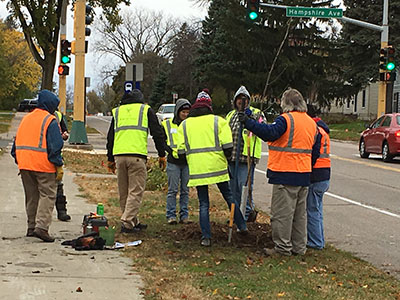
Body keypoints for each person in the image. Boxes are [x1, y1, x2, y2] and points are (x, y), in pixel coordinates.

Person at [239, 88, 319, 256]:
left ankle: (282, 248)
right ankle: (299, 247)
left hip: (285, 173)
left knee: (282, 214)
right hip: (304, 174)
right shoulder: (311, 123)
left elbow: (269, 133)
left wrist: (248, 122)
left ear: (285, 104)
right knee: (299, 216)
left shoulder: (286, 119)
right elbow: (316, 150)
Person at [175, 91, 248, 247]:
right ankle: (242, 226)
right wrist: (224, 159)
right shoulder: (219, 122)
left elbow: (180, 152)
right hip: (218, 167)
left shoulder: (185, 125)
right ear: (209, 105)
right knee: (229, 197)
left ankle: (206, 238)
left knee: (203, 203)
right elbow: (228, 147)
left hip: (198, 169)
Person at [106, 89, 166, 233]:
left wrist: (110, 159)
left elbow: (111, 136)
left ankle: (132, 221)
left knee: (124, 191)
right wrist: (161, 154)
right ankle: (127, 222)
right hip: (137, 156)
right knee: (135, 190)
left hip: (119, 156)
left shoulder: (118, 112)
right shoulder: (145, 110)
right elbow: (157, 133)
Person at [11, 90, 64, 242]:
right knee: (47, 195)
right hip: (43, 165)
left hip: (25, 165)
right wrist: (58, 164)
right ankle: (41, 228)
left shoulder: (26, 119)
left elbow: (15, 146)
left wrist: (20, 160)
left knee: (31, 196)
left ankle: (31, 227)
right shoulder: (50, 120)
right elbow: (55, 146)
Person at [226, 86, 266, 221]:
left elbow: (263, 129)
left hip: (246, 158)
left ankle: (247, 214)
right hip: (231, 157)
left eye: (244, 99)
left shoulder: (256, 113)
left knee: (245, 187)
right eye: (239, 99)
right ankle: (235, 215)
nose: (241, 102)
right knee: (233, 189)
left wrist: (250, 119)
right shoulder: (231, 115)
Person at [161, 99, 191, 225]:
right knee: (173, 190)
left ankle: (184, 216)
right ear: (178, 112)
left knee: (185, 190)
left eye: (187, 112)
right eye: (183, 112)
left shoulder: (190, 125)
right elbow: (162, 141)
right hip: (173, 161)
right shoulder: (167, 124)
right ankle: (171, 215)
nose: (185, 115)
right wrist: (169, 151)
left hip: (187, 162)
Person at [306, 104, 331, 250]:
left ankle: (315, 242)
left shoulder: (314, 130)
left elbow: (314, 154)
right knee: (317, 209)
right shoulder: (323, 129)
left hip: (316, 174)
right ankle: (319, 239)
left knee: (312, 210)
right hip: (325, 173)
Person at [54, 110, 71, 221]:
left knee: (58, 184)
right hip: (42, 155)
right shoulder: (38, 115)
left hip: (56, 155)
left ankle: (61, 211)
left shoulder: (58, 115)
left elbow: (65, 131)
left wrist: (65, 135)